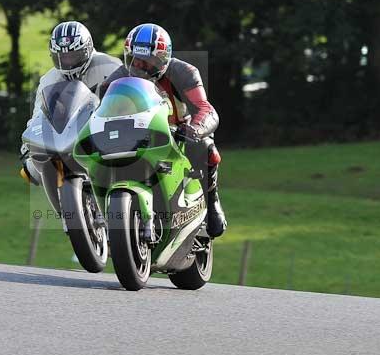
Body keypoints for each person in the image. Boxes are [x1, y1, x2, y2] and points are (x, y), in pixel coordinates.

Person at [99, 23, 227, 238]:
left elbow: (205, 108)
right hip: (135, 134)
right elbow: (101, 113)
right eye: (134, 59)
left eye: (147, 61)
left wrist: (194, 129)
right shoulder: (115, 80)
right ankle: (103, 218)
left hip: (178, 132)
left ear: (162, 59)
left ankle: (212, 199)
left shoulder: (184, 72)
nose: (139, 66)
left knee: (206, 147)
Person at [20, 21, 121, 184]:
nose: (67, 62)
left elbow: (128, 99)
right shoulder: (49, 80)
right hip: (69, 139)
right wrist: (30, 142)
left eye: (73, 55)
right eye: (61, 57)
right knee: (31, 170)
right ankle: (63, 202)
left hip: (107, 132)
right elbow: (39, 114)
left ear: (87, 49)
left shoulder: (111, 67)